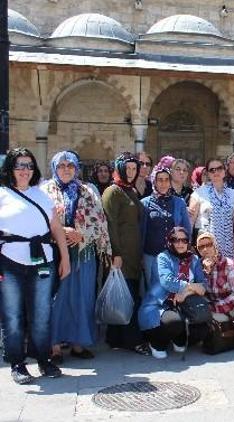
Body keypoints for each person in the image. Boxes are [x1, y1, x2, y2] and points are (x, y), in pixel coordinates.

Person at [0, 148, 71, 384]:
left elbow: (57, 230)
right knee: (12, 315)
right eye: (19, 165)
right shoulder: (2, 194)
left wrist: (65, 258)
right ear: (11, 168)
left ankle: (43, 359)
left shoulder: (42, 195)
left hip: (43, 261)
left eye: (29, 165)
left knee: (41, 314)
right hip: (9, 262)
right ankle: (18, 364)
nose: (24, 170)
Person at [42, 151, 111, 364]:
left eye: (70, 165)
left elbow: (99, 220)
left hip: (83, 251)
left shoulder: (88, 190)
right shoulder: (44, 191)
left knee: (83, 297)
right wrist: (62, 230)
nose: (66, 169)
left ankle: (78, 343)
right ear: (54, 167)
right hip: (54, 251)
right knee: (56, 298)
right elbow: (40, 220)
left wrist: (81, 234)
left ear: (76, 168)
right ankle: (53, 347)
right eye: (61, 165)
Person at [101, 152, 149, 355]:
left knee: (124, 293)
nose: (131, 172)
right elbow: (110, 224)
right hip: (120, 254)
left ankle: (115, 338)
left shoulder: (129, 191)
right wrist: (116, 254)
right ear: (120, 169)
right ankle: (133, 340)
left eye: (133, 169)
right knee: (128, 297)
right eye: (127, 168)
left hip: (132, 252)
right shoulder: (113, 192)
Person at [138, 227, 209, 359]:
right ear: (169, 242)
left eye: (184, 240)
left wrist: (185, 293)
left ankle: (178, 338)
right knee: (174, 323)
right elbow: (168, 282)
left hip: (185, 303)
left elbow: (203, 285)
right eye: (175, 240)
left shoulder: (193, 259)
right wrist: (190, 286)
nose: (180, 243)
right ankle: (156, 343)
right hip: (161, 304)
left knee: (203, 328)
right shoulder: (163, 257)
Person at [141, 166, 191, 289]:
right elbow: (141, 232)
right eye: (160, 180)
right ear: (154, 181)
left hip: (174, 256)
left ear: (170, 181)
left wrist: (186, 251)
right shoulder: (144, 203)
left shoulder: (179, 202)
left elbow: (186, 229)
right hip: (151, 256)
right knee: (154, 291)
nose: (163, 183)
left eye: (166, 180)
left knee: (172, 290)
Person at [189, 157, 234, 259]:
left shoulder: (233, 194)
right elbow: (190, 222)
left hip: (228, 246)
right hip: (205, 245)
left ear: (225, 171)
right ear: (208, 174)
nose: (216, 172)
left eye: (219, 168)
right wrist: (189, 244)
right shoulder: (198, 193)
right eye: (212, 170)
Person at [196, 232, 234, 321]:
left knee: (205, 318)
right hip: (209, 304)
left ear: (215, 246)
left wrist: (213, 308)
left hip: (231, 306)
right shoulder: (198, 265)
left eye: (209, 245)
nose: (205, 249)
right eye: (201, 247)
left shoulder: (229, 265)